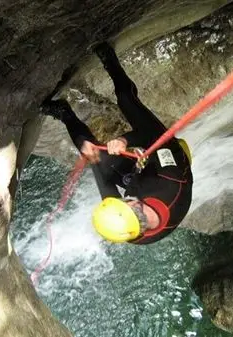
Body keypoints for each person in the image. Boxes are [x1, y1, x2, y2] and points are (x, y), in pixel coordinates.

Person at [40, 42, 193, 245]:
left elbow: (108, 191)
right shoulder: (171, 182)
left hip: (139, 179)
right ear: (135, 206)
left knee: (90, 152)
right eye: (125, 201)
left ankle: (64, 112)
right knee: (126, 100)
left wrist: (93, 157)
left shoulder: (131, 231)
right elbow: (152, 137)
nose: (123, 199)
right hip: (166, 158)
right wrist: (125, 141)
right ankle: (110, 60)